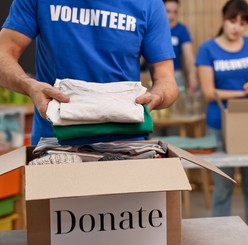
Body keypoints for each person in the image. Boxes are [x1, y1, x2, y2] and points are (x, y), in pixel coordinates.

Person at [0, 0, 178, 145]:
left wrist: (157, 97)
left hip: (125, 146)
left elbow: (166, 80)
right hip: (54, 143)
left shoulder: (149, 4)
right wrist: (30, 85)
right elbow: (3, 54)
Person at [196, 0, 248, 238]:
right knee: (223, 187)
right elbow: (208, 92)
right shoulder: (207, 49)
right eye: (232, 21)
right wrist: (244, 92)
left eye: (243, 23)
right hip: (219, 124)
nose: (237, 27)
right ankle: (219, 242)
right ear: (223, 18)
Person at [163, 0, 198, 93]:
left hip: (175, 73)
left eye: (175, 12)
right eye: (168, 11)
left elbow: (189, 57)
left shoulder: (181, 30)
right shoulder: (153, 28)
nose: (171, 16)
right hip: (153, 72)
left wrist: (192, 76)